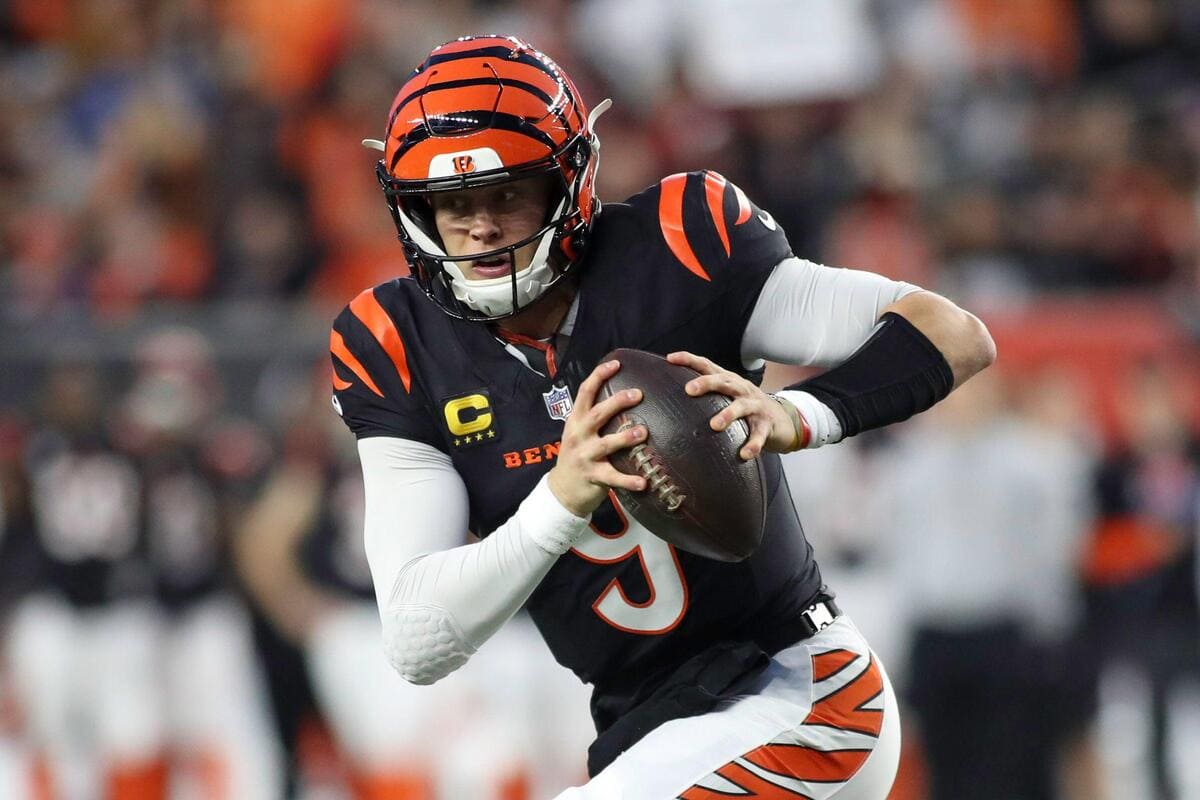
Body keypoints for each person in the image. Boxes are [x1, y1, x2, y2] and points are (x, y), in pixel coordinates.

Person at [330, 35, 995, 799]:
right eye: (453, 204)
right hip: (647, 730)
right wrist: (561, 498)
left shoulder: (681, 245)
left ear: (568, 181)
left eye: (507, 194)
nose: (479, 228)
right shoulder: (396, 345)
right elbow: (417, 639)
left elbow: (951, 332)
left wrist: (797, 414)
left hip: (796, 695)